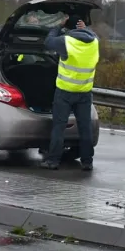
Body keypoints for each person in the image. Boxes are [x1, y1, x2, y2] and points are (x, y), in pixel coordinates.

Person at [39, 14, 99, 171]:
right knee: (85, 127)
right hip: (85, 92)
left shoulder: (66, 41)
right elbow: (93, 35)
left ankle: (53, 161)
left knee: (59, 126)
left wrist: (59, 26)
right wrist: (86, 29)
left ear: (68, 28)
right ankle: (87, 162)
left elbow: (48, 41)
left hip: (65, 92)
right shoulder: (94, 42)